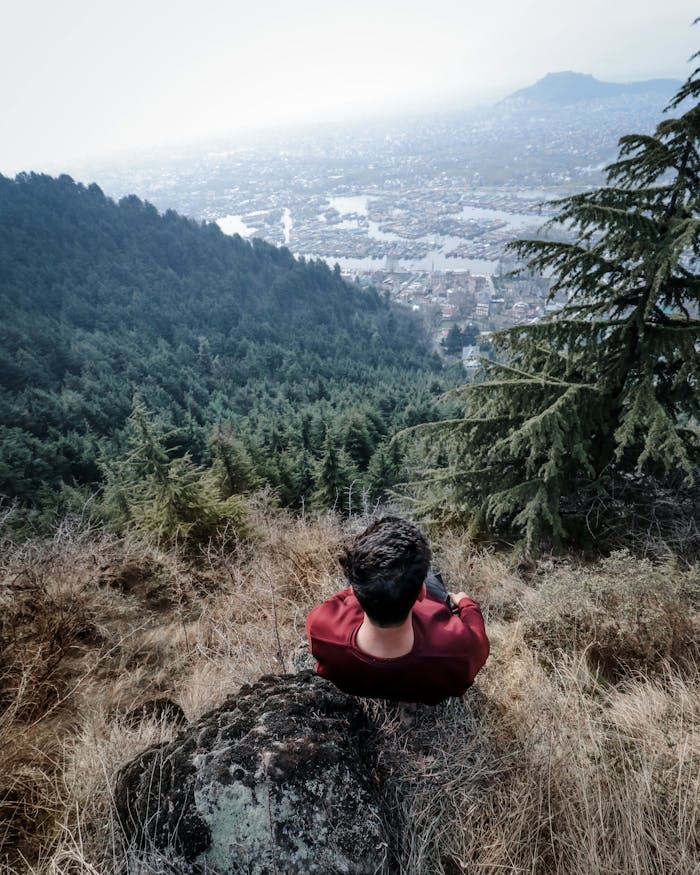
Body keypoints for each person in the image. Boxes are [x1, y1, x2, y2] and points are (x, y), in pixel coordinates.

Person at [305, 516, 489, 704]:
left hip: (358, 679)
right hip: (421, 689)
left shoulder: (321, 626)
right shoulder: (457, 648)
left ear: (355, 590)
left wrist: (365, 582)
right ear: (421, 593)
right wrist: (466, 603)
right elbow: (478, 638)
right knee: (432, 577)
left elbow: (343, 595)